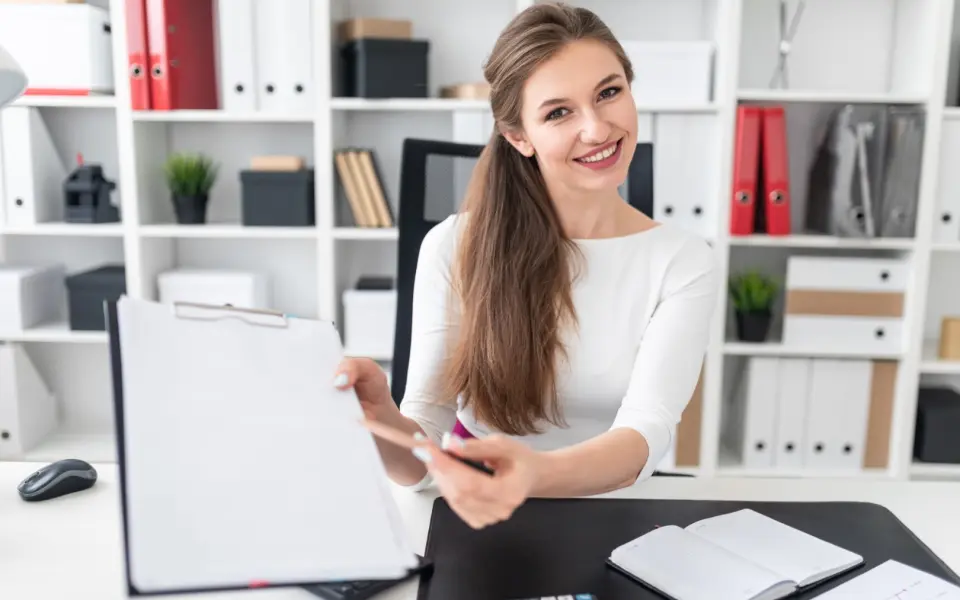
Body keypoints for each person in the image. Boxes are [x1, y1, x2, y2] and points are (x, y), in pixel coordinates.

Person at [334, 1, 718, 530]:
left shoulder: (683, 260)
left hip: (615, 517)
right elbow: (422, 457)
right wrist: (381, 420)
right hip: (481, 516)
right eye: (558, 112)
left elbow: (645, 435)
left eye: (609, 92)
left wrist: (533, 474)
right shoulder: (454, 245)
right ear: (519, 136)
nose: (597, 128)